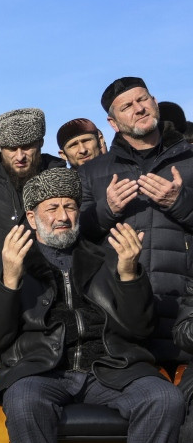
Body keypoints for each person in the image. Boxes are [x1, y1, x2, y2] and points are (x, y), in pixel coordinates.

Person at [0, 168, 180, 443]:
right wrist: (10, 278)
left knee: (164, 398)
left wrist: (129, 274)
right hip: (43, 371)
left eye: (69, 206)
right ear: (32, 217)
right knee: (21, 400)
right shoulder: (4, 261)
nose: (62, 216)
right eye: (51, 207)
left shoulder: (106, 255)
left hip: (109, 367)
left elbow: (140, 328)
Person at [78, 76, 193, 367]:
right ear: (113, 122)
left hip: (184, 306)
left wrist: (180, 203)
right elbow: (76, 237)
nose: (138, 108)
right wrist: (107, 209)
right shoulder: (92, 172)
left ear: (155, 103)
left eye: (143, 99)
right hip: (121, 308)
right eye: (127, 106)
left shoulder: (190, 160)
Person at [0, 108, 67, 260]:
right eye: (12, 149)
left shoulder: (64, 182)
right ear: (0, 149)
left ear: (41, 143)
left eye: (26, 147)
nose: (20, 156)